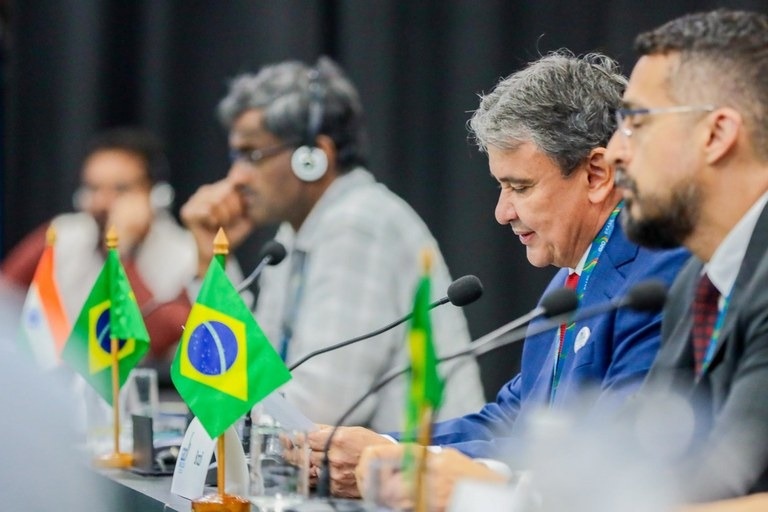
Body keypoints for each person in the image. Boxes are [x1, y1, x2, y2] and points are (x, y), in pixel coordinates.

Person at [310, 51, 690, 499]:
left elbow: (611, 458)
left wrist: (406, 466)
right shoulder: (567, 283)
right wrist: (387, 448)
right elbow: (511, 419)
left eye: (521, 187)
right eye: (501, 186)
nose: (502, 212)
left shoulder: (656, 278)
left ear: (596, 174)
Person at [180, 57, 484, 433]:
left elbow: (313, 412)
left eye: (252, 155)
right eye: (235, 156)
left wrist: (227, 402)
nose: (236, 176)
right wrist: (214, 263)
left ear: (313, 157)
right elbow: (254, 370)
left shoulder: (359, 224)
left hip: (418, 475)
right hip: (346, 478)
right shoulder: (295, 233)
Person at [604, 8, 768, 503]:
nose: (613, 151)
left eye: (634, 122)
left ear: (716, 134)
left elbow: (733, 483)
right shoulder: (698, 281)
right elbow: (644, 464)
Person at [1, 127, 195, 364]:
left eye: (120, 189)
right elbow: (5, 296)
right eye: (93, 189)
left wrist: (121, 254)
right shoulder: (60, 236)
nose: (102, 202)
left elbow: (162, 339)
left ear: (156, 194)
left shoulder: (187, 254)